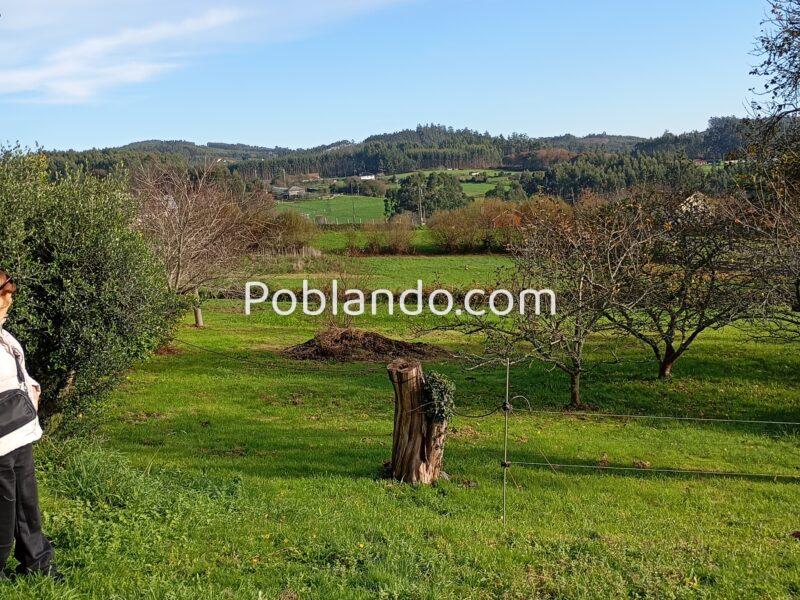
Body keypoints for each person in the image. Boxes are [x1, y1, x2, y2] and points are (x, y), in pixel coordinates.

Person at [0, 270, 62, 581]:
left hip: (19, 433)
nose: (9, 302)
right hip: (0, 443)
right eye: (4, 296)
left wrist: (33, 388)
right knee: (2, 514)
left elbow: (17, 373)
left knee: (26, 506)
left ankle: (38, 565)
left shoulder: (4, 336)